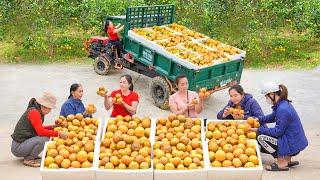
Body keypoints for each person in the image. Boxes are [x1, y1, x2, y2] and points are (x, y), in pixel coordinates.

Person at [251, 82, 308, 171]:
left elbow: (278, 131)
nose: (266, 98)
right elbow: (273, 116)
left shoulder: (282, 109)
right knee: (265, 132)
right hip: (295, 141)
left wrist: (259, 130)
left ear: (272, 94)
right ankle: (287, 160)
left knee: (260, 136)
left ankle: (281, 162)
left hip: (293, 144)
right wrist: (259, 120)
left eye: (266, 96)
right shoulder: (283, 104)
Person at [11, 92, 68, 167]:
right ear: (44, 106)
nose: (50, 111)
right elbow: (40, 132)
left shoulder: (36, 110)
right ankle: (29, 159)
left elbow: (38, 128)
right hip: (18, 148)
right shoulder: (34, 112)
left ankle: (31, 155)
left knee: (44, 137)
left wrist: (53, 127)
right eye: (50, 108)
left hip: (22, 144)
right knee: (44, 139)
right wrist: (59, 133)